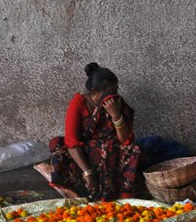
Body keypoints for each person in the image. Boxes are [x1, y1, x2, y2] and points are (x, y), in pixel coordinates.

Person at [48, 62, 140, 200]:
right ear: (94, 93)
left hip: (110, 151)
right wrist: (88, 172)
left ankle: (117, 193)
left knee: (132, 149)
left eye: (116, 90)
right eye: (109, 92)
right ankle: (79, 190)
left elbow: (125, 140)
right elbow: (72, 142)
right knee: (58, 146)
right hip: (84, 153)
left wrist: (116, 116)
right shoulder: (78, 103)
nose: (114, 95)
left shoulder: (116, 104)